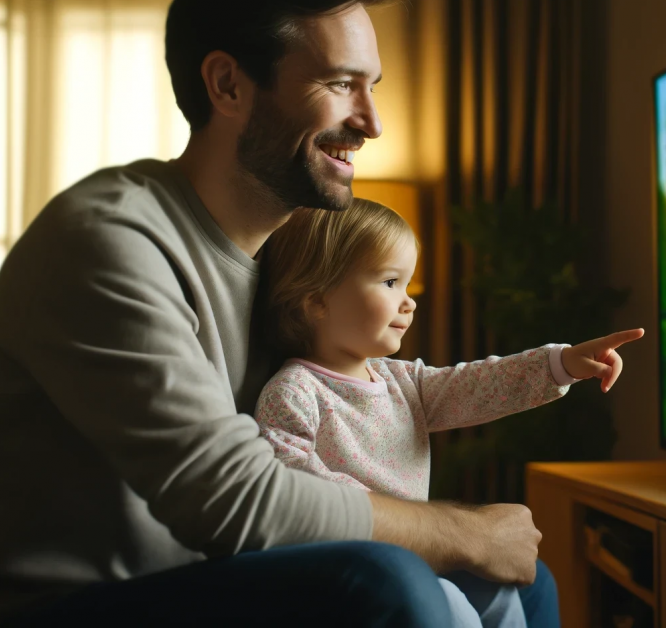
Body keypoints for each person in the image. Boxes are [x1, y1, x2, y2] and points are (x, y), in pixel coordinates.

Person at [0, 0, 566, 627]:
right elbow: (236, 501)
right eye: (339, 84)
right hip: (49, 609)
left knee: (524, 581)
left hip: (204, 582)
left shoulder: (287, 267)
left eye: (372, 85)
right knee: (383, 578)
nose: (371, 122)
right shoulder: (110, 241)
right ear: (228, 86)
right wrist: (460, 531)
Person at [254, 200, 643, 628]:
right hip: (362, 565)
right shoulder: (293, 392)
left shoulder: (403, 382)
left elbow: (478, 385)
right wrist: (391, 514)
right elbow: (290, 483)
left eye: (407, 284)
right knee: (450, 605)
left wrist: (563, 363)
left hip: (425, 552)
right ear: (317, 302)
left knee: (500, 589)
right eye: (389, 282)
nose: (409, 303)